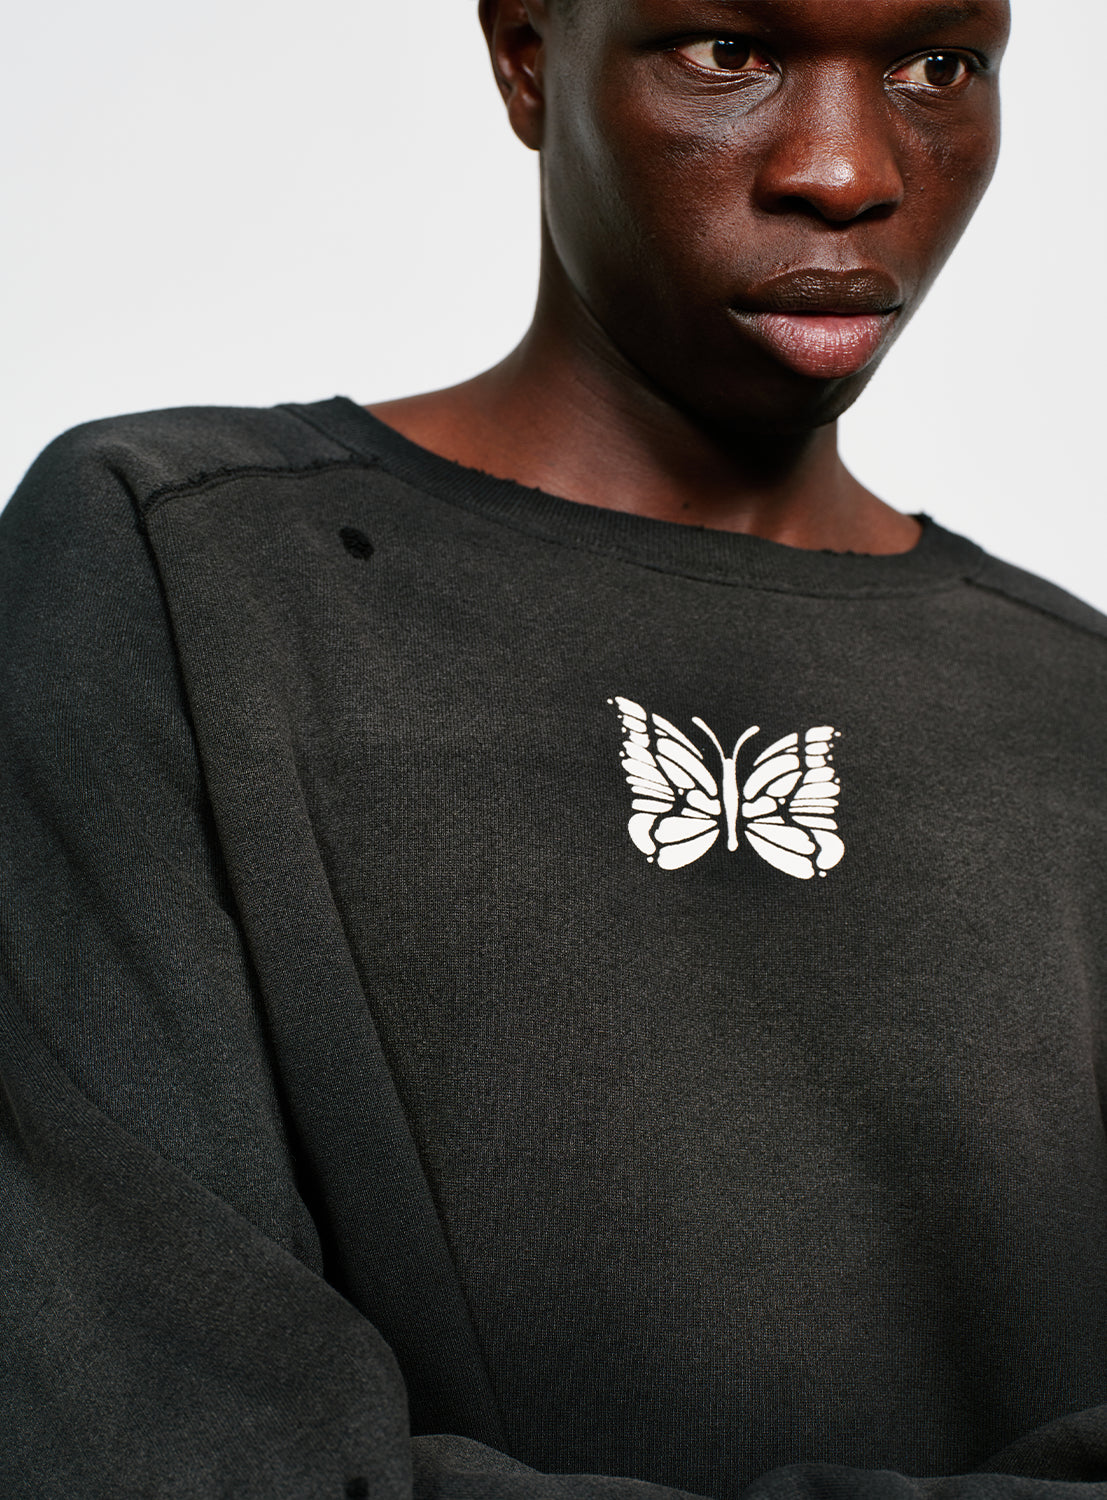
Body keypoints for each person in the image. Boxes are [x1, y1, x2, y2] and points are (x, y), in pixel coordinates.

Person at [4, 0, 1107, 1496]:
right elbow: (149, 1426)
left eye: (936, 67)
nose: (848, 170)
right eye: (730, 52)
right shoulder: (179, 568)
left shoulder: (1078, 705)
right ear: (528, 56)